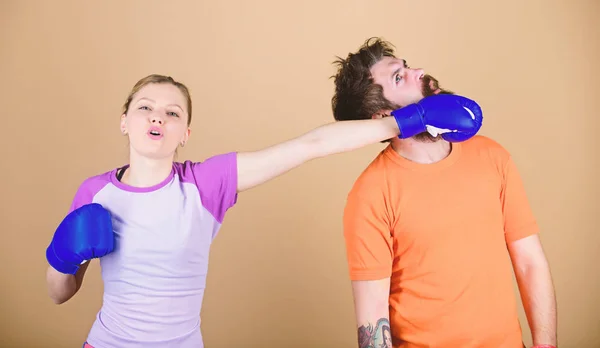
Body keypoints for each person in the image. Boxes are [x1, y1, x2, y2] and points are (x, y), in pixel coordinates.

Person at [44, 73, 482, 348]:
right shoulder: (95, 192)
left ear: (185, 132)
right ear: (125, 121)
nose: (157, 117)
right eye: (145, 108)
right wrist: (62, 258)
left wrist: (409, 120)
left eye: (172, 112)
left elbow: (309, 146)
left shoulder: (204, 183)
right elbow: (59, 293)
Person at [330, 37, 557, 348]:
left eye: (406, 66)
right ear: (382, 117)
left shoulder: (492, 157)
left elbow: (530, 262)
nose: (418, 72)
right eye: (399, 77)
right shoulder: (369, 194)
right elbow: (373, 321)